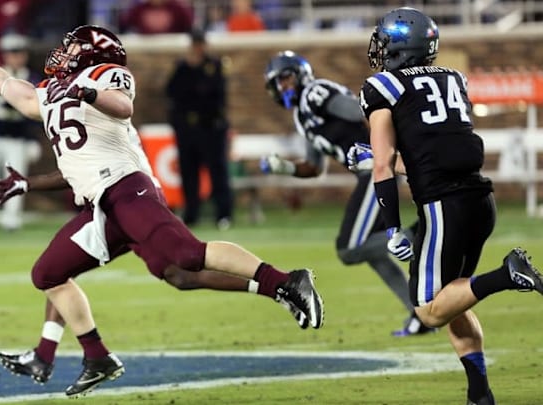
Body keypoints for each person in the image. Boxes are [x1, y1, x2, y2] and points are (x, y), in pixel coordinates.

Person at [0, 23, 324, 398]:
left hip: (128, 189)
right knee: (51, 274)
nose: (63, 52)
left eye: (72, 46)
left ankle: (287, 281)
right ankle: (97, 356)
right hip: (103, 206)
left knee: (186, 255)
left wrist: (85, 92)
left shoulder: (103, 75)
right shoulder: (48, 94)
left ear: (92, 54)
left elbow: (122, 105)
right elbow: (2, 81)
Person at [0, 127, 296, 385]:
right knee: (178, 275)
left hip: (125, 202)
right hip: (119, 201)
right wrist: (28, 183)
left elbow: (78, 162)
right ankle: (46, 354)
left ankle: (279, 284)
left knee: (186, 257)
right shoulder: (85, 106)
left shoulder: (95, 104)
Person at [357, 7, 543, 405]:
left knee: (427, 310)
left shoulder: (382, 87)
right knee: (452, 297)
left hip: (444, 206)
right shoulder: (453, 78)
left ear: (398, 48)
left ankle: (507, 275)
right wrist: (379, 157)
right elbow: (434, 151)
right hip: (479, 199)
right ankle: (480, 395)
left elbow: (383, 163)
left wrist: (391, 228)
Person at [260, 50, 432, 337]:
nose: (283, 88)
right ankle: (420, 315)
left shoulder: (316, 93)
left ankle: (419, 234)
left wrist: (384, 157)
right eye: (278, 84)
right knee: (373, 253)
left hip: (376, 169)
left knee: (349, 248)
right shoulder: (303, 115)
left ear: (300, 74)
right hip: (372, 171)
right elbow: (315, 168)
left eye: (286, 79)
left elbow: (365, 112)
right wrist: (285, 167)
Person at [0, 33, 41, 232]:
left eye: (18, 53)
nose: (15, 57)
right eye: (11, 53)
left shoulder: (32, 78)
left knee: (16, 179)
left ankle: (11, 219)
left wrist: (33, 139)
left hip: (18, 138)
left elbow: (38, 111)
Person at [165, 30, 234, 230]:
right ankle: (191, 214)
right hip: (187, 128)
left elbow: (213, 94)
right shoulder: (182, 67)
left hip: (211, 127)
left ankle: (223, 214)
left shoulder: (215, 66)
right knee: (188, 172)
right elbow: (172, 92)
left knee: (217, 171)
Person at [118, 0, 193, 35]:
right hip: (147, 49)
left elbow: (189, 26)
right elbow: (123, 24)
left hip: (172, 48)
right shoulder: (139, 9)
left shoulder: (178, 8)